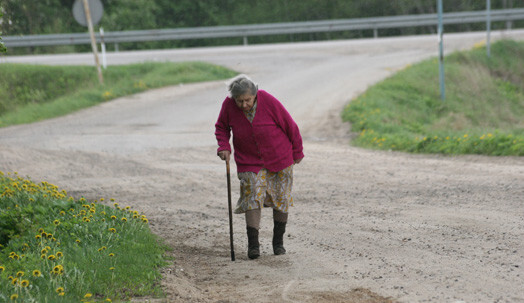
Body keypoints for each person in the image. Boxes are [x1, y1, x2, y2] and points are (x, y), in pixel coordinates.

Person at [215, 75, 304, 260]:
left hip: (279, 157)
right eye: (239, 101)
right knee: (252, 196)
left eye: (247, 100)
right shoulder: (229, 105)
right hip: (249, 160)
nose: (244, 105)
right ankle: (253, 245)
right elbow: (222, 127)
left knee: (281, 197)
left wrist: (297, 152)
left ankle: (278, 243)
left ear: (254, 94)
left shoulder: (268, 101)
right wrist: (224, 147)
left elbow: (290, 126)